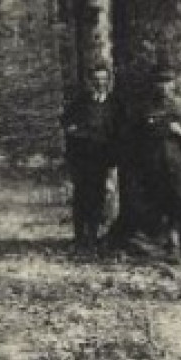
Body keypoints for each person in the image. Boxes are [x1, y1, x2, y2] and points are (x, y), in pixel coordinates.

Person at [108, 69, 181, 255]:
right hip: (152, 165)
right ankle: (160, 241)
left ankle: (177, 240)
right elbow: (134, 136)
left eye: (167, 82)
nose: (163, 87)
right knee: (157, 201)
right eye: (159, 83)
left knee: (180, 200)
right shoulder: (146, 108)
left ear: (174, 84)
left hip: (179, 165)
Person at [62, 65, 114, 247]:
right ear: (91, 81)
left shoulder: (113, 103)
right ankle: (79, 236)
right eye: (97, 79)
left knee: (98, 196)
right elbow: (66, 121)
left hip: (103, 157)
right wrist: (73, 129)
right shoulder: (82, 102)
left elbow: (119, 131)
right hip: (82, 156)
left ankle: (93, 235)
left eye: (103, 79)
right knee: (81, 195)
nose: (100, 83)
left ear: (108, 81)